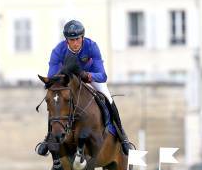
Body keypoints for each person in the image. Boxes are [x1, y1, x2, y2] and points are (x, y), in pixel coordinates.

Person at [36, 20, 131, 156]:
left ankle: (122, 136)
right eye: (71, 40)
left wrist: (87, 75)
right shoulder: (58, 51)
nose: (75, 43)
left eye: (77, 39)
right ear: (66, 40)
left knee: (108, 97)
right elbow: (52, 77)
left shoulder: (91, 46)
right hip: (68, 79)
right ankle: (48, 137)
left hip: (89, 77)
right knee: (55, 100)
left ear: (82, 37)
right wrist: (63, 76)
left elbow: (102, 75)